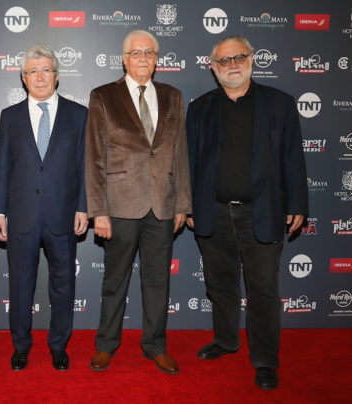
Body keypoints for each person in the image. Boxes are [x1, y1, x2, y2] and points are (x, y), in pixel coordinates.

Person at [186, 35, 308, 390]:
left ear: (252, 60)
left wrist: (298, 203)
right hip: (214, 212)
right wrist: (187, 204)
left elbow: (292, 158)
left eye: (239, 57)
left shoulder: (280, 105)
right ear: (213, 68)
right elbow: (190, 163)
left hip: (264, 211)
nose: (232, 65)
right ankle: (225, 341)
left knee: (263, 291)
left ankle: (266, 359)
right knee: (220, 285)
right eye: (224, 61)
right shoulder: (200, 108)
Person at [85, 30, 191, 374]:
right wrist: (98, 211)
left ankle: (155, 345)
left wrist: (181, 205)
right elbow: (94, 157)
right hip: (119, 208)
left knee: (158, 281)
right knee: (114, 280)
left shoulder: (173, 96)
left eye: (149, 52)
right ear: (124, 58)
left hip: (162, 205)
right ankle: (106, 345)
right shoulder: (103, 96)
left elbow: (180, 154)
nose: (143, 58)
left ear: (157, 59)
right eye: (136, 53)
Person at [0, 45, 88, 371]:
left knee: (63, 285)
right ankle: (21, 347)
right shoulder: (10, 116)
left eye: (46, 69)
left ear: (57, 76)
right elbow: (2, 167)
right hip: (21, 216)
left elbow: (83, 166)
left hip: (63, 214)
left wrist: (83, 207)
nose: (40, 76)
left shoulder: (78, 115)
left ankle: (59, 346)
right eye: (33, 71)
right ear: (23, 78)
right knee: (20, 285)